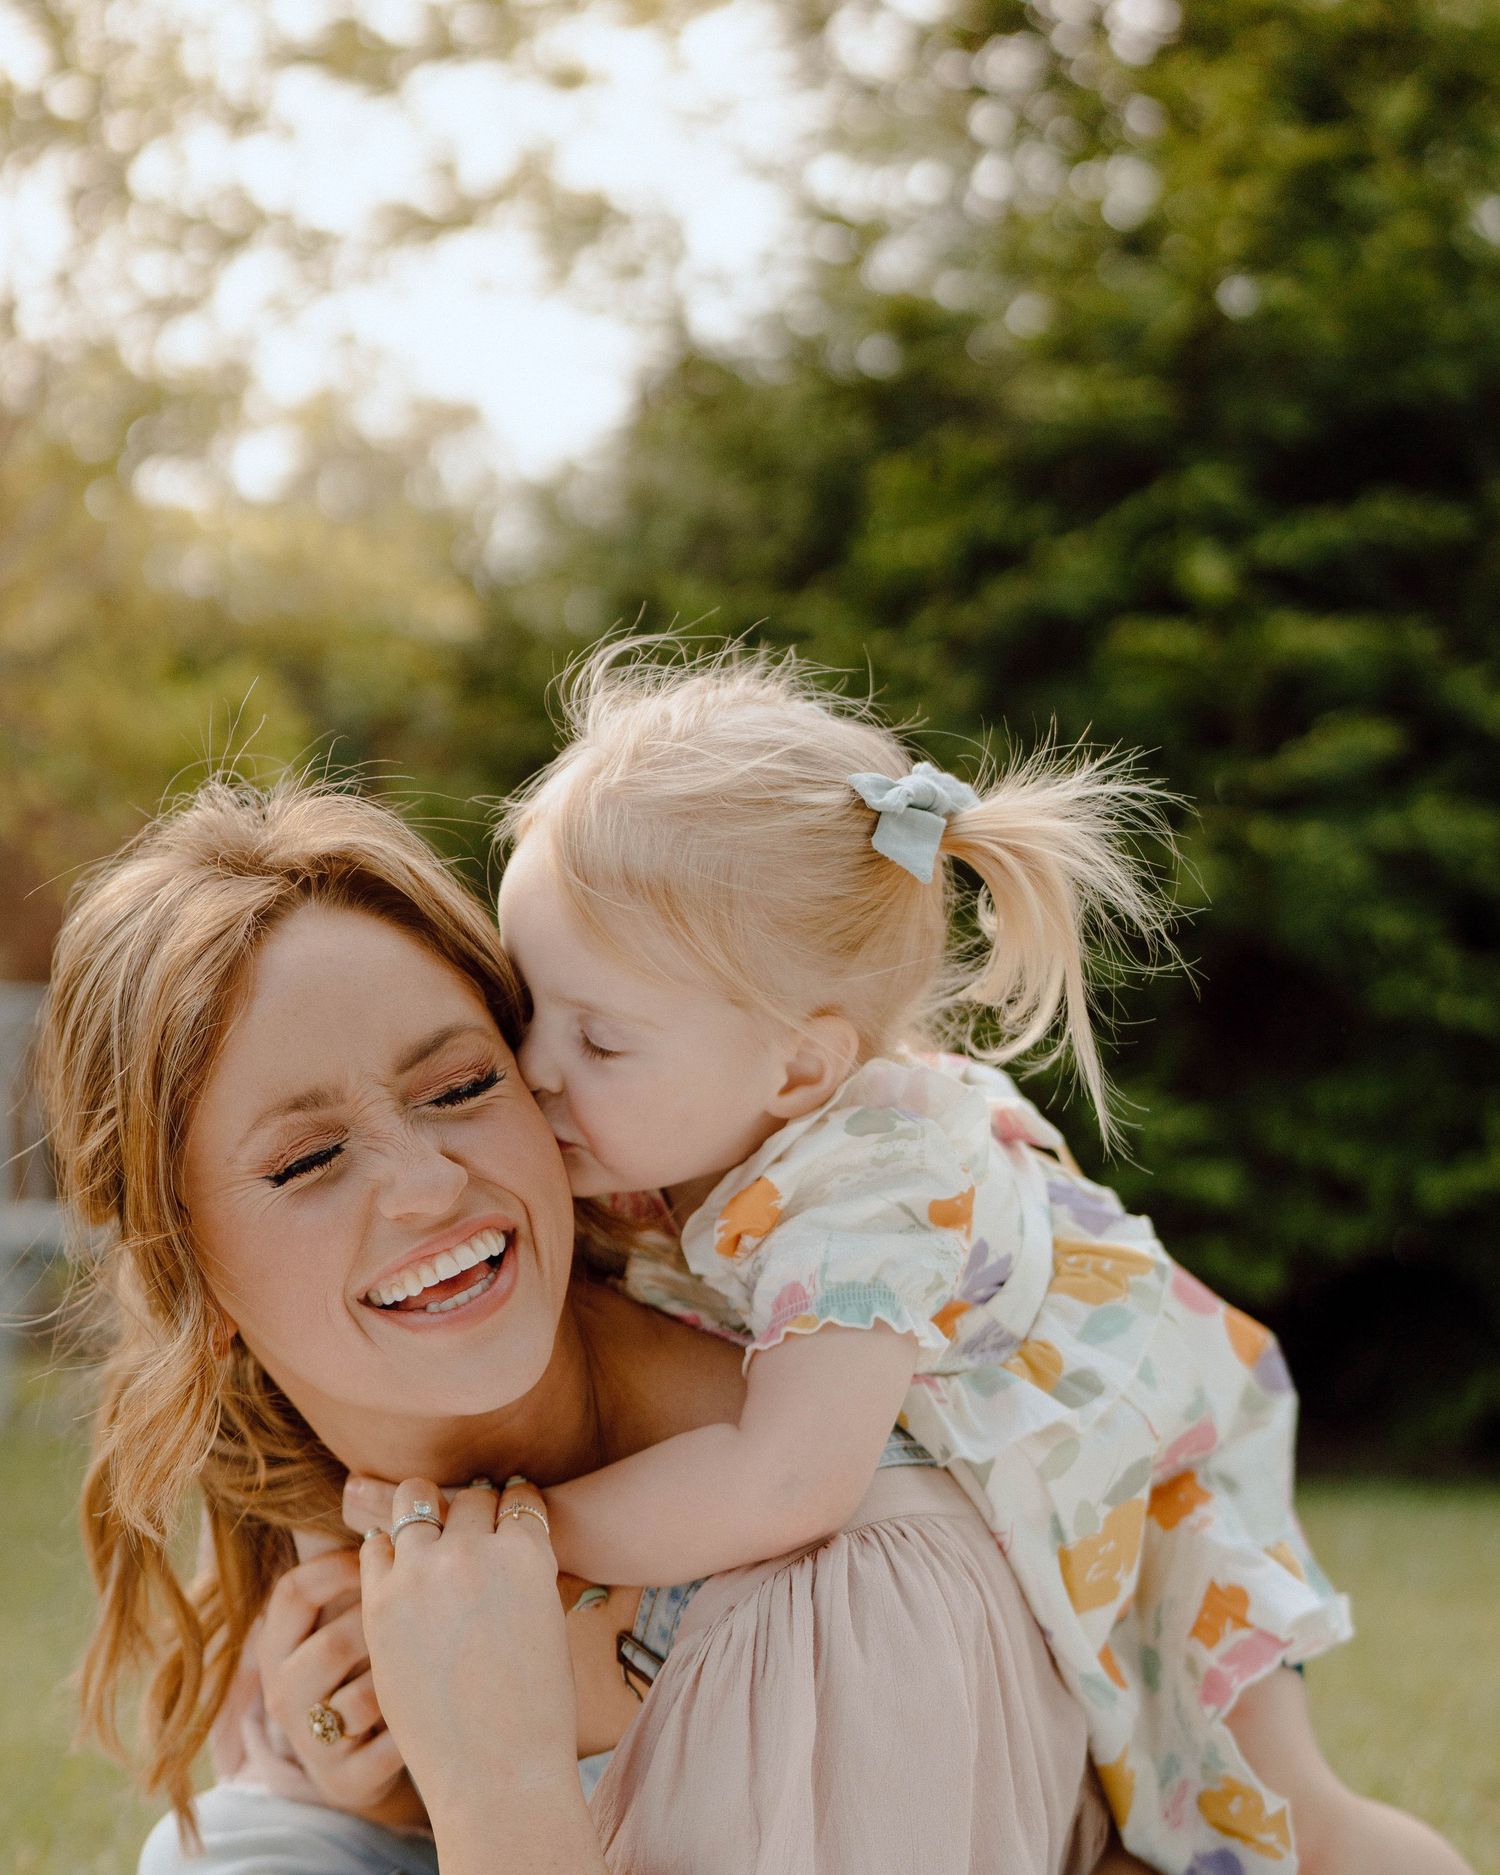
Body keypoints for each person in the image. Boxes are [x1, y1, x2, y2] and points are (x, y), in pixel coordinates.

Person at [492, 639, 1474, 1875]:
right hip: (1071, 1449)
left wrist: (532, 1531)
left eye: (601, 1040)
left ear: (799, 1064)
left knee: (1284, 1820)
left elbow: (789, 1479)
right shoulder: (721, 1122)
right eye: (526, 1004)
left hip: (1154, 1472)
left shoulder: (861, 1193)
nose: (533, 1066)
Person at [37, 775, 1130, 1875]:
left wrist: (496, 1795)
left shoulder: (848, 1590)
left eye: (462, 1087)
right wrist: (384, 1798)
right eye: (307, 1160)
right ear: (187, 1280)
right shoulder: (310, 1540)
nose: (426, 1184)